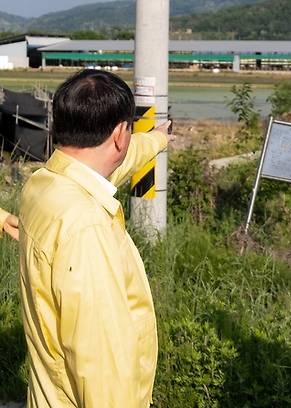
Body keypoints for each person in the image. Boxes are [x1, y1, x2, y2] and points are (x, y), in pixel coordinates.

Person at [19, 69, 171, 407]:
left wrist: (158, 139)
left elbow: (119, 159)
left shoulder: (44, 184)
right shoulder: (86, 228)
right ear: (120, 133)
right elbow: (100, 357)